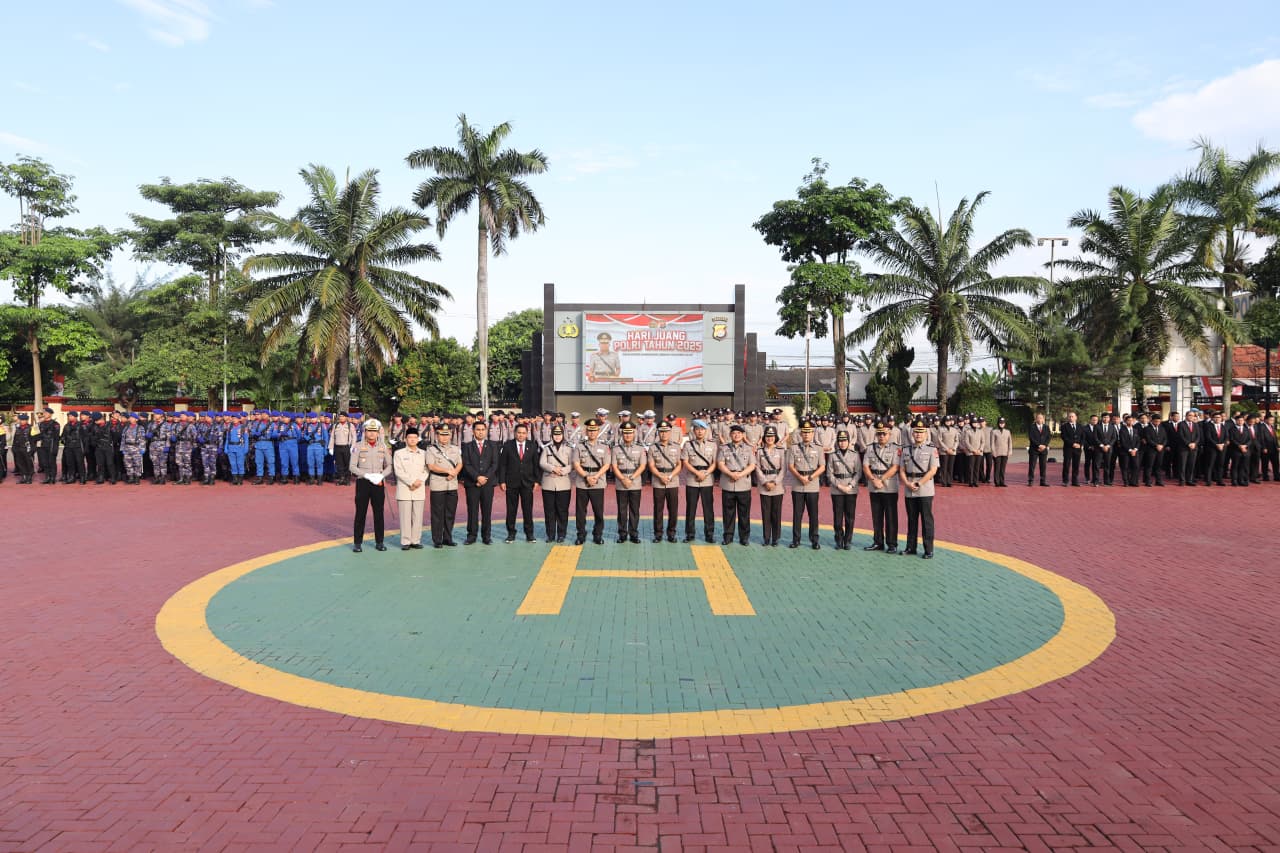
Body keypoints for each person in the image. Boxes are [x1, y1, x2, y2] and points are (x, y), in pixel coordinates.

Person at [899, 418, 940, 558]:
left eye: (921, 432)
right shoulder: (906, 449)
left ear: (926, 433)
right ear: (912, 433)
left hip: (925, 489)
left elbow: (933, 470)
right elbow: (902, 470)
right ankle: (911, 547)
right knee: (911, 519)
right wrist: (907, 483)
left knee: (926, 520)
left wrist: (919, 483)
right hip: (909, 488)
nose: (918, 435)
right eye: (916, 432)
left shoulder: (931, 449)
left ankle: (928, 549)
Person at [349, 418, 391, 552]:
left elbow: (390, 465)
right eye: (369, 431)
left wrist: (382, 475)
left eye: (374, 431)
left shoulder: (383, 447)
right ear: (365, 432)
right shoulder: (358, 446)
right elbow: (352, 466)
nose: (372, 434)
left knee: (379, 513)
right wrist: (366, 475)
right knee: (360, 513)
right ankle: (357, 543)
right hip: (363, 482)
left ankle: (380, 542)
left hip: (378, 482)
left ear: (379, 432)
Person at [786, 420, 825, 550]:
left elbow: (822, 466)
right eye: (804, 432)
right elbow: (790, 466)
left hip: (812, 484)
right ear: (801, 434)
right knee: (797, 514)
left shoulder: (819, 448)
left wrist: (810, 477)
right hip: (798, 484)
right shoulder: (794, 448)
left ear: (813, 433)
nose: (807, 435)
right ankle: (796, 540)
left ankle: (814, 540)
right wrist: (800, 477)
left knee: (813, 514)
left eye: (809, 432)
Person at [498, 423, 539, 543]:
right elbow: (503, 465)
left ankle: (529, 534)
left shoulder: (532, 445)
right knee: (511, 509)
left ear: (527, 434)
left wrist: (537, 480)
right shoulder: (508, 445)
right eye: (519, 432)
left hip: (528, 482)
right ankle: (511, 533)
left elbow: (535, 464)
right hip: (511, 482)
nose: (521, 435)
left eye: (523, 433)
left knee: (527, 509)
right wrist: (502, 480)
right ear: (515, 433)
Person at [572, 418, 611, 545]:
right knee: (580, 511)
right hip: (582, 482)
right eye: (590, 430)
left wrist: (596, 476)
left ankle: (598, 535)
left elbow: (606, 464)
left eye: (594, 430)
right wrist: (586, 477)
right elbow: (576, 464)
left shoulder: (604, 447)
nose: (592, 433)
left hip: (598, 482)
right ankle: (581, 535)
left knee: (598, 511)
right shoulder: (579, 446)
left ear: (598, 431)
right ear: (586, 431)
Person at [863, 423, 900, 554]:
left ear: (889, 434)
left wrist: (881, 479)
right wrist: (873, 480)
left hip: (889, 486)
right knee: (876, 516)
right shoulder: (870, 448)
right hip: (874, 486)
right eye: (879, 434)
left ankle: (892, 543)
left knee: (891, 516)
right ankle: (878, 542)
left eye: (884, 433)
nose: (881, 436)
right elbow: (866, 466)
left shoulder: (896, 449)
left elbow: (895, 467)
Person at [461, 421, 500, 545]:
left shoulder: (493, 445)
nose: (480, 432)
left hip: (488, 483)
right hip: (472, 483)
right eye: (478, 429)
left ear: (486, 431)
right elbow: (466, 464)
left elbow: (495, 464)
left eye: (483, 429)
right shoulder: (467, 446)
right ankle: (471, 536)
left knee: (487, 510)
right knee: (472, 510)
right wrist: (477, 477)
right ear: (473, 431)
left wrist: (485, 478)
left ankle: (486, 536)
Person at [717, 424, 755, 546]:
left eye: (739, 433)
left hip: (743, 484)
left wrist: (740, 475)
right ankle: (728, 536)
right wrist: (730, 474)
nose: (736, 435)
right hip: (728, 483)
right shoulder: (724, 448)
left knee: (744, 513)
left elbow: (752, 465)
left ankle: (744, 537)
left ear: (743, 435)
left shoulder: (749, 448)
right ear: (730, 435)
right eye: (734, 433)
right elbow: (720, 463)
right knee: (728, 513)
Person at [681, 419, 718, 543]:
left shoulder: (712, 445)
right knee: (691, 508)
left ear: (706, 431)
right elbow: (685, 462)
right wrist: (697, 473)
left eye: (702, 429)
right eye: (697, 429)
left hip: (707, 480)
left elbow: (715, 463)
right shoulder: (687, 445)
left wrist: (706, 473)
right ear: (694, 431)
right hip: (692, 479)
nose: (700, 431)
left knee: (708, 509)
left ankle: (709, 534)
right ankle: (690, 534)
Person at [426, 424, 462, 548]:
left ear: (450, 435)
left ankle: (448, 537)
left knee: (450, 513)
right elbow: (431, 466)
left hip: (452, 484)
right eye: (442, 434)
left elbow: (459, 463)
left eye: (447, 435)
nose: (445, 437)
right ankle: (437, 539)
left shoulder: (455, 448)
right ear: (437, 435)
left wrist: (455, 473)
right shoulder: (431, 449)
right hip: (438, 484)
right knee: (437, 514)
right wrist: (448, 472)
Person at [393, 427, 428, 550]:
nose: (412, 440)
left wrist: (419, 481)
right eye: (410, 437)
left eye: (414, 437)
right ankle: (406, 541)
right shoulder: (399, 453)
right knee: (405, 517)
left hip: (419, 488)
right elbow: (398, 471)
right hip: (405, 488)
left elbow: (426, 470)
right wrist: (411, 482)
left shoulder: (424, 454)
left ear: (418, 439)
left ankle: (415, 540)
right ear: (405, 439)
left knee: (417, 516)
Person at [611, 422, 647, 543]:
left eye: (630, 433)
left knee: (634, 510)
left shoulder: (640, 448)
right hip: (621, 482)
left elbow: (642, 466)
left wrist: (630, 479)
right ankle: (622, 534)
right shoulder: (615, 449)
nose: (627, 435)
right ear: (622, 434)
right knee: (621, 510)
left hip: (635, 482)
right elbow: (614, 466)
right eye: (625, 433)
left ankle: (633, 533)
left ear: (634, 433)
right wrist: (623, 479)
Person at [827, 429, 861, 550]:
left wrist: (850, 485)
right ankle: (839, 539)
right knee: (837, 516)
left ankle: (848, 540)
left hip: (851, 489)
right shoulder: (832, 455)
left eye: (844, 440)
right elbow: (829, 474)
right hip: (837, 489)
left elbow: (858, 473)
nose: (842, 443)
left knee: (850, 516)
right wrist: (839, 486)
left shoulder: (855, 455)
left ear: (848, 441)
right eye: (840, 441)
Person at [648, 422, 682, 543]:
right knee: (658, 509)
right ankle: (658, 534)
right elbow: (651, 465)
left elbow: (679, 465)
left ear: (670, 432)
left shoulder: (677, 447)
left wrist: (671, 476)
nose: (664, 434)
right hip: (658, 480)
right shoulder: (652, 447)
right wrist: (661, 476)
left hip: (672, 481)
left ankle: (671, 533)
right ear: (658, 432)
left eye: (666, 431)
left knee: (673, 509)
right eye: (661, 431)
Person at [538, 424, 572, 543]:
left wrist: (561, 471)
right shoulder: (547, 448)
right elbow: (542, 463)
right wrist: (553, 468)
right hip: (548, 483)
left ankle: (561, 534)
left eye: (559, 434)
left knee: (562, 510)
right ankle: (550, 534)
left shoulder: (568, 448)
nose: (557, 437)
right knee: (549, 510)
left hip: (563, 483)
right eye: (555, 434)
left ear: (563, 435)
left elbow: (572, 464)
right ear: (552, 435)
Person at [754, 426, 785, 547]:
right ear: (764, 438)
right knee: (765, 513)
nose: (770, 438)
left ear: (775, 437)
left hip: (777, 485)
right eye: (767, 436)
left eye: (772, 436)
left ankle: (776, 538)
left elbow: (783, 469)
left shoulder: (781, 451)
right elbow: (757, 467)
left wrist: (775, 482)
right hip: (764, 484)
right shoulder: (760, 451)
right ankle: (766, 537)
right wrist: (765, 482)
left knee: (776, 513)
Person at [1059, 411, 1085, 486]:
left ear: (1076, 417)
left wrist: (1080, 444)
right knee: (1066, 465)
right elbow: (1064, 437)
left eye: (1072, 416)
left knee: (1076, 465)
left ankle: (1075, 481)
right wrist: (1072, 444)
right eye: (1069, 416)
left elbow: (1083, 437)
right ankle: (1065, 481)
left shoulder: (1080, 426)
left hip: (1077, 449)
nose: (1071, 418)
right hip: (1068, 448)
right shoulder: (1064, 426)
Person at [330, 412, 356, 485]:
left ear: (346, 417)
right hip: (337, 447)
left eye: (343, 416)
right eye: (340, 416)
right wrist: (331, 447)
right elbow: (332, 437)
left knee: (347, 464)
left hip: (346, 447)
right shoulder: (335, 425)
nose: (341, 418)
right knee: (339, 464)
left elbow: (354, 437)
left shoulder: (350, 426)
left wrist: (352, 446)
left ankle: (347, 479)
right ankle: (341, 478)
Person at [1116, 414, 1142, 487]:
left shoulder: (1135, 430)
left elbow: (1138, 441)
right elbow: (1123, 442)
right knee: (1125, 467)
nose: (1130, 422)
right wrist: (1130, 450)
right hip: (1125, 452)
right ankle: (1126, 481)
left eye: (1132, 420)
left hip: (1135, 451)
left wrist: (1135, 449)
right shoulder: (1122, 430)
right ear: (1125, 421)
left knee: (1136, 466)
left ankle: (1133, 481)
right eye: (1129, 420)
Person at [1141, 412, 1165, 486]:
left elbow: (1165, 438)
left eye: (1159, 421)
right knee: (1149, 466)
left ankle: (1158, 481)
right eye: (1156, 421)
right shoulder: (1147, 429)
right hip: (1151, 450)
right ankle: (1148, 481)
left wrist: (1162, 445)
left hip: (1160, 450)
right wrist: (1156, 445)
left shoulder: (1162, 428)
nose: (1157, 423)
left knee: (1158, 465)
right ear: (1152, 421)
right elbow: (1148, 439)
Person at [36, 407, 60, 484]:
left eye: (46, 413)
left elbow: (56, 437)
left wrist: (55, 448)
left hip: (51, 445)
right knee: (45, 462)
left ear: (50, 414)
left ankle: (53, 477)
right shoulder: (41, 424)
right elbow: (38, 435)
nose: (45, 414)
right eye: (44, 413)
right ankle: (47, 477)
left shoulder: (55, 424)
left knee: (51, 462)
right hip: (43, 445)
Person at [12, 414, 36, 484]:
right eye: (20, 420)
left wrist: (33, 449)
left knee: (28, 463)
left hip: (27, 449)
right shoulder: (18, 428)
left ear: (26, 420)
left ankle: (29, 477)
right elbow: (15, 439)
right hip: (19, 448)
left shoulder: (31, 428)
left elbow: (35, 439)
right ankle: (23, 477)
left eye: (23, 420)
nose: (21, 421)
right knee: (20, 463)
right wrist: (14, 447)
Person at [1028, 412, 1050, 486]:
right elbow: (1031, 438)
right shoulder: (1032, 427)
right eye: (1038, 418)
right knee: (1032, 465)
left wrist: (1045, 445)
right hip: (1034, 449)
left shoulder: (1046, 427)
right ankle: (1030, 480)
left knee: (1043, 466)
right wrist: (1039, 445)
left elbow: (1048, 437)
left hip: (1044, 450)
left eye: (1041, 418)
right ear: (1036, 419)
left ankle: (1042, 481)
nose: (1040, 419)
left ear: (1043, 419)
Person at [989, 417, 1012, 486]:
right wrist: (993, 452)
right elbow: (992, 443)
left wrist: (1010, 451)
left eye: (1003, 423)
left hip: (1005, 452)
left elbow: (1010, 442)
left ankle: (1002, 481)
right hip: (997, 452)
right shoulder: (994, 431)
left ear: (1004, 424)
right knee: (997, 467)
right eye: (1000, 423)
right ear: (998, 423)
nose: (1001, 424)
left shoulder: (1007, 432)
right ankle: (997, 482)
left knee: (1003, 468)